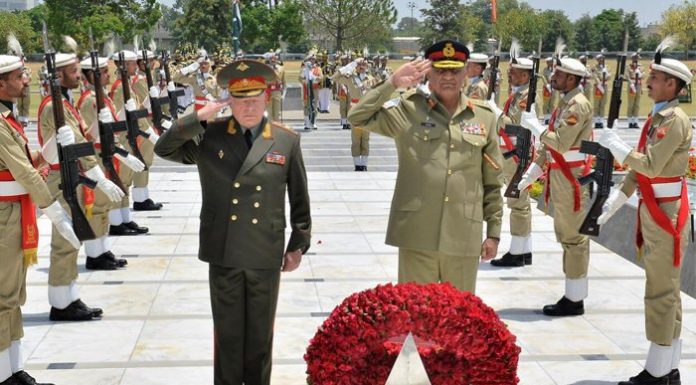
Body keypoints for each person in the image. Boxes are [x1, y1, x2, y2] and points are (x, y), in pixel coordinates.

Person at [154, 59, 311, 385]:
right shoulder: (209, 136)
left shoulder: (285, 140)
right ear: (229, 101)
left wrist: (298, 246)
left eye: (255, 98)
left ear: (267, 97)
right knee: (227, 337)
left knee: (259, 338)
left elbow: (299, 200)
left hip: (264, 253)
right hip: (224, 249)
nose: (249, 106)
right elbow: (164, 149)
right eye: (240, 99)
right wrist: (196, 118)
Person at [348, 40, 503, 293]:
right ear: (428, 73)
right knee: (416, 317)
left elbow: (492, 182)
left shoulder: (484, 116)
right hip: (417, 233)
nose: (448, 77)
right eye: (441, 70)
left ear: (466, 72)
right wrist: (392, 84)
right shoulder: (409, 109)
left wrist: (493, 233)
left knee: (459, 318)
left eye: (455, 70)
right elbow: (358, 116)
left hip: (463, 233)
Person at [595, 42, 692, 385]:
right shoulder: (658, 117)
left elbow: (650, 166)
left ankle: (657, 374)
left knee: (661, 293)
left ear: (673, 85)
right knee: (666, 292)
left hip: (666, 214)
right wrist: (610, 206)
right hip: (656, 210)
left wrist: (617, 147)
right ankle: (668, 369)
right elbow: (637, 176)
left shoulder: (675, 121)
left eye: (656, 77)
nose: (648, 81)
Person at [0, 49, 80, 385]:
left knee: (14, 295)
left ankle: (13, 369)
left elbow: (32, 162)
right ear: (1, 84)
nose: (26, 80)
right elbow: (28, 175)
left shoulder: (9, 118)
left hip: (16, 213)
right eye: (19, 77)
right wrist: (54, 209)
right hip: (6, 216)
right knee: (3, 296)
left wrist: (53, 147)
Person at [37, 47, 125, 320]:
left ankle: (69, 297)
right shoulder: (54, 106)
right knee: (65, 242)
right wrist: (98, 178)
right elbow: (76, 145)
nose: (79, 76)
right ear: (59, 75)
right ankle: (62, 303)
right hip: (60, 179)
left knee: (73, 239)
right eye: (74, 71)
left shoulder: (65, 102)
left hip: (71, 176)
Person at [517, 54, 593, 316]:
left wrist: (536, 127)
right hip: (560, 175)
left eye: (559, 75)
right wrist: (530, 175)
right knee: (566, 235)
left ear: (571, 78)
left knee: (573, 239)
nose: (554, 78)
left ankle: (575, 299)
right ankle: (572, 293)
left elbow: (560, 142)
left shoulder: (577, 106)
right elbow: (550, 148)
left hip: (572, 180)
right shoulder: (566, 103)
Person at [77, 55, 147, 269]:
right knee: (97, 208)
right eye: (104, 72)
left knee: (104, 206)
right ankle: (94, 255)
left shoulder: (101, 97)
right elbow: (88, 136)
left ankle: (102, 249)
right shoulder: (90, 100)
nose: (109, 75)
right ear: (92, 75)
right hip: (96, 156)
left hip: (106, 154)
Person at [487, 44, 535, 267]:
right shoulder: (518, 95)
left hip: (517, 154)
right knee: (519, 203)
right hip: (512, 153)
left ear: (525, 75)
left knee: (517, 204)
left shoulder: (526, 97)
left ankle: (517, 253)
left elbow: (514, 126)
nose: (509, 74)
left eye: (513, 72)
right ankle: (524, 251)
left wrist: (495, 113)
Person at [108, 50, 158, 233]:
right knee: (121, 178)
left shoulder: (126, 84)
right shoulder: (121, 86)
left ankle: (124, 218)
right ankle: (116, 221)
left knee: (126, 179)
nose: (135, 66)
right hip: (125, 135)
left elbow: (136, 111)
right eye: (130, 63)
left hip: (132, 133)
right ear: (121, 65)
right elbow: (119, 114)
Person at [346, 59, 376, 171]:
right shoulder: (351, 78)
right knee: (355, 139)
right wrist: (349, 66)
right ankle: (357, 165)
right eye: (360, 65)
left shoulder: (371, 79)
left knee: (365, 139)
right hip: (356, 111)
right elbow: (334, 78)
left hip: (367, 111)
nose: (362, 67)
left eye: (364, 65)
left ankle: (364, 164)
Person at [592, 51, 611, 128]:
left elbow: (610, 76)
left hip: (605, 85)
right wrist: (599, 82)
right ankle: (597, 122)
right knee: (597, 104)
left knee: (603, 103)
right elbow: (595, 75)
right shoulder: (595, 67)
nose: (601, 60)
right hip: (598, 86)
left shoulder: (607, 67)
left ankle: (601, 121)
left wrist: (606, 74)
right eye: (599, 59)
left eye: (602, 58)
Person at [626, 52, 643, 128]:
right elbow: (626, 75)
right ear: (632, 58)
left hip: (639, 85)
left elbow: (644, 74)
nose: (636, 59)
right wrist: (631, 82)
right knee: (631, 104)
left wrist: (639, 73)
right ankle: (630, 121)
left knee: (637, 104)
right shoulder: (628, 66)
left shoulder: (640, 67)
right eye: (634, 58)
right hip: (631, 85)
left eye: (637, 58)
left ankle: (635, 121)